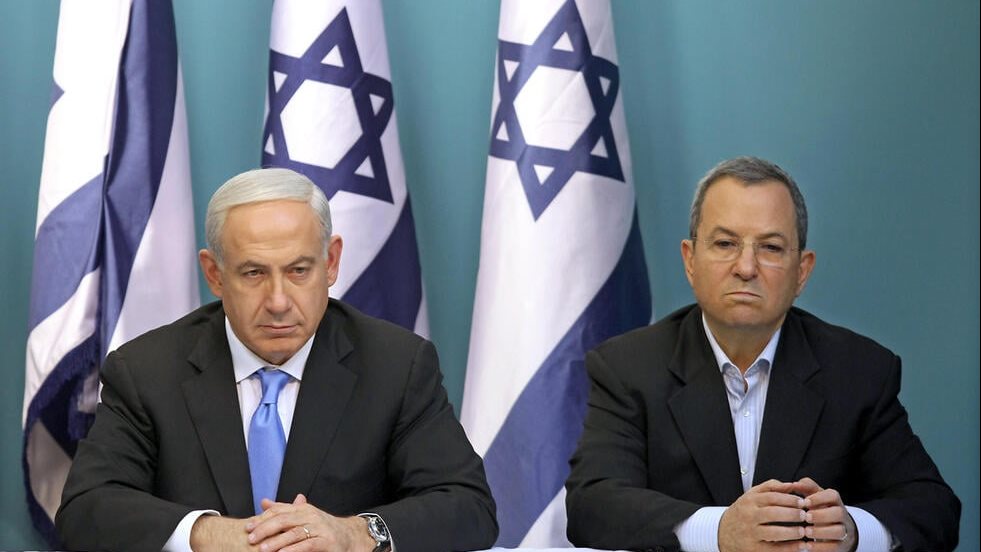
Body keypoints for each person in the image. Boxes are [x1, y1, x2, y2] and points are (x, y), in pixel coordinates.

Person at [56, 168, 498, 552]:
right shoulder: (146, 371)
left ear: (331, 263)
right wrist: (210, 535)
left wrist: (356, 534)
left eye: (299, 270)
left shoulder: (396, 365)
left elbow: (468, 505)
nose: (279, 302)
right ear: (214, 274)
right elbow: (86, 508)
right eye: (253, 273)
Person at [565, 157, 960, 552]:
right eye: (725, 244)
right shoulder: (628, 368)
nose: (746, 267)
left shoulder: (858, 371)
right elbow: (591, 506)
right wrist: (720, 531)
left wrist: (852, 530)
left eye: (770, 247)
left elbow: (933, 508)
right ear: (690, 260)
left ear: (802, 271)